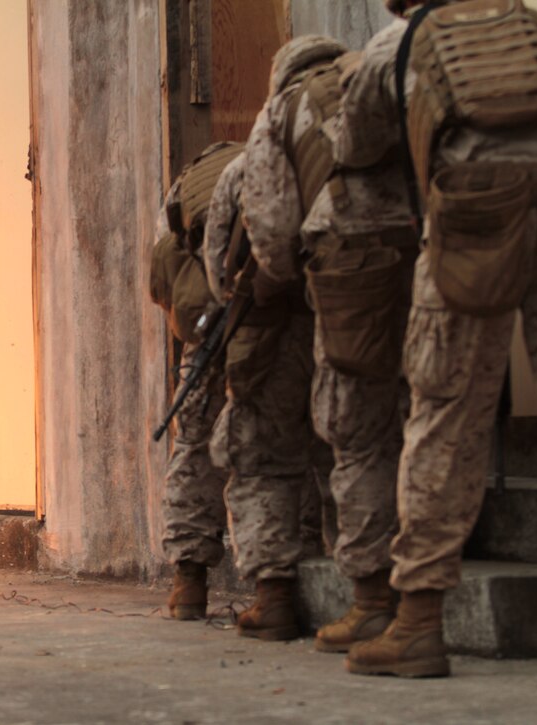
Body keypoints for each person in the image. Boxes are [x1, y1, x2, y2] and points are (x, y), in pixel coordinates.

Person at [335, 0, 537, 677]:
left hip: (473, 224)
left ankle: (417, 623)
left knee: (446, 414)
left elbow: (355, 145)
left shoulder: (399, 40)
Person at [244, 32, 420, 655]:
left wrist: (279, 276)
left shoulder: (283, 109)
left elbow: (270, 226)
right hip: (431, 250)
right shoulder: (382, 70)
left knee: (357, 426)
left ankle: (374, 601)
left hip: (351, 267)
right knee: (427, 412)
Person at [203, 43, 338, 639]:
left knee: (259, 457)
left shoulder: (266, 135)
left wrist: (269, 280)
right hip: (363, 309)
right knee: (355, 446)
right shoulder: (367, 109)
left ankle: (274, 596)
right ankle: (370, 595)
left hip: (275, 329)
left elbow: (216, 263)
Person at [150, 142, 244, 620]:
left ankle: (189, 584)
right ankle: (278, 586)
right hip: (259, 321)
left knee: (192, 451)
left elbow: (161, 288)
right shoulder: (259, 165)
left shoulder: (185, 198)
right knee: (262, 447)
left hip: (202, 341)